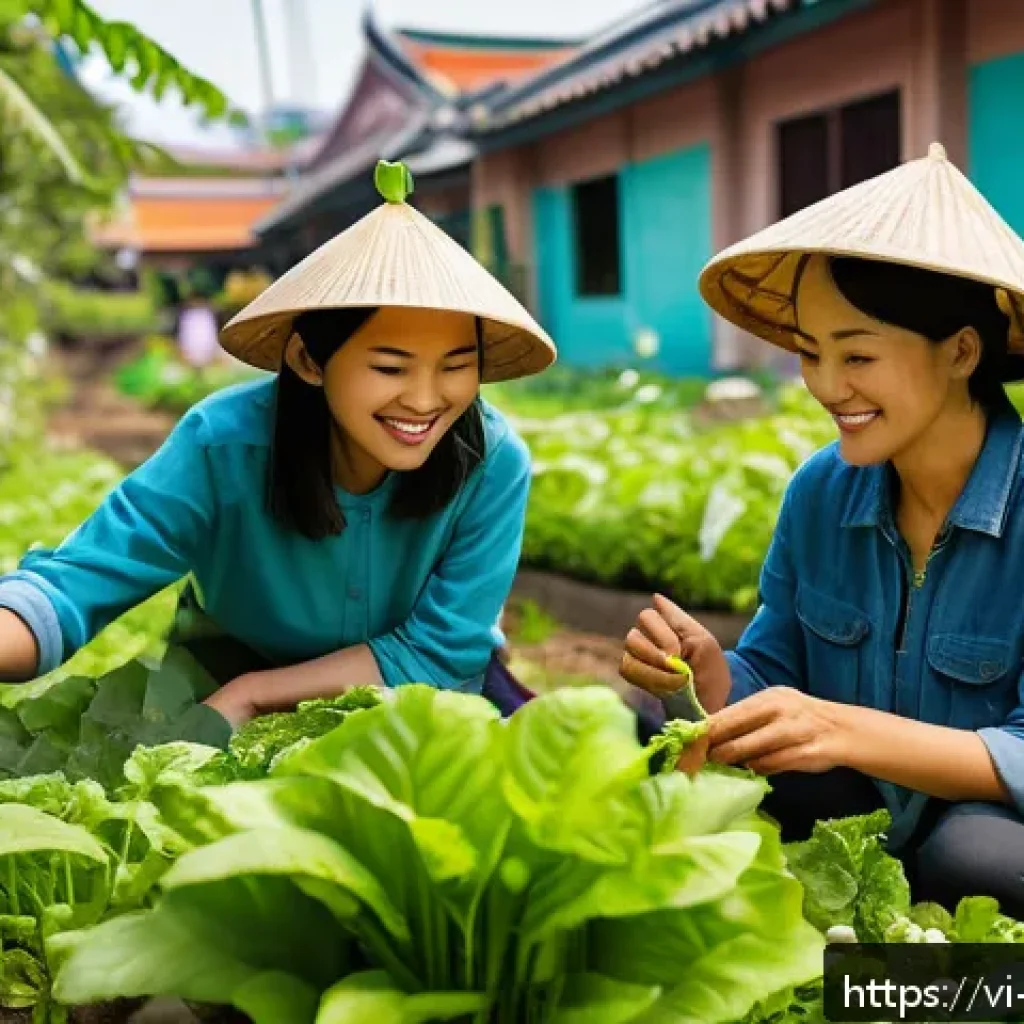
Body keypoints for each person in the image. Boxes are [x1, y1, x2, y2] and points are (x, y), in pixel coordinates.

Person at [0, 160, 555, 727]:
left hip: (411, 705)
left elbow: (442, 649)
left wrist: (257, 694)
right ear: (309, 360)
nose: (424, 399)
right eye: (391, 368)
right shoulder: (223, 444)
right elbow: (75, 583)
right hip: (217, 686)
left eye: (456, 366)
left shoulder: (491, 460)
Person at [620, 143, 1024, 918]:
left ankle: (920, 995)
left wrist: (839, 727)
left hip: (988, 834)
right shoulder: (819, 491)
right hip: (864, 821)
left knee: (973, 858)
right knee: (647, 731)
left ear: (961, 353)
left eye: (858, 355)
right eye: (810, 353)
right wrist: (705, 677)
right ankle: (875, 976)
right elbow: (773, 673)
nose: (827, 387)